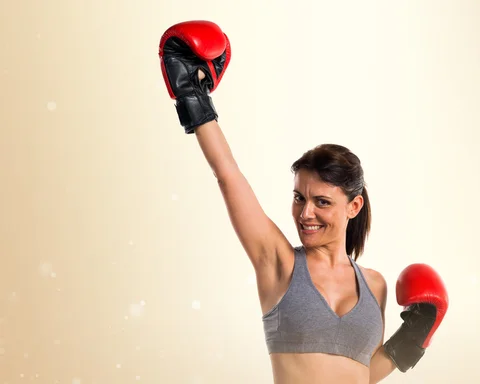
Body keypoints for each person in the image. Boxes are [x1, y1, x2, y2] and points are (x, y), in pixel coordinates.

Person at [158, 20, 449, 384]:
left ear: (353, 207)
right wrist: (192, 95)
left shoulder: (375, 285)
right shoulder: (278, 262)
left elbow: (362, 373)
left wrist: (410, 340)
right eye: (299, 198)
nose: (305, 213)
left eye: (322, 202)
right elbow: (228, 174)